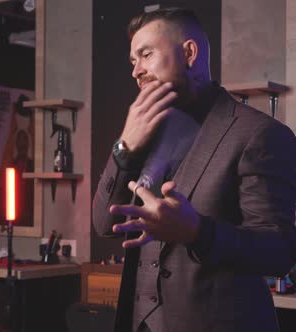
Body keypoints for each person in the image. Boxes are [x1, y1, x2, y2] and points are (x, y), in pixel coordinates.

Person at [92, 7, 296, 332]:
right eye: (133, 61)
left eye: (145, 55)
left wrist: (197, 232)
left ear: (189, 53)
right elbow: (104, 223)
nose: (136, 71)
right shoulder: (143, 132)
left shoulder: (259, 134)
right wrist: (124, 148)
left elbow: (279, 253)